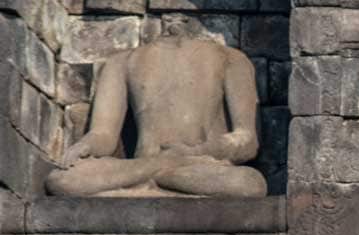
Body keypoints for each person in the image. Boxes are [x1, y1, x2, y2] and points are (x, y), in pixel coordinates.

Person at [45, 14, 268, 198]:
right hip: (144, 164)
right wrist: (84, 146)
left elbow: (246, 140)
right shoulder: (121, 62)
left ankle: (143, 187)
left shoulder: (231, 58)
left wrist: (197, 151)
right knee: (61, 180)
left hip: (198, 166)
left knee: (250, 183)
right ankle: (160, 179)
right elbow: (103, 135)